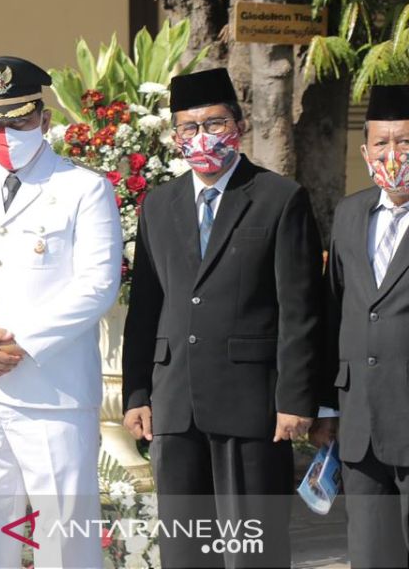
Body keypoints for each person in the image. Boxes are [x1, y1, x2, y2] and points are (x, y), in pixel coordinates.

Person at [0, 57, 121, 568]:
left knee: (63, 537)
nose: (8, 133)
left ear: (45, 120)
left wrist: (17, 343)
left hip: (50, 387)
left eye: (21, 120)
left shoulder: (83, 188)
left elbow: (97, 285)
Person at [122, 67, 324, 568]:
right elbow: (145, 306)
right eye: (188, 128)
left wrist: (297, 398)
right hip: (175, 405)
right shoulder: (159, 204)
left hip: (252, 406)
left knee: (253, 550)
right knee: (186, 551)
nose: (201, 138)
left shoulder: (279, 198)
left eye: (213, 124)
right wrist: (137, 393)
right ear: (175, 136)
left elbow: (300, 308)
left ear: (238, 125)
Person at [312, 84, 409, 568]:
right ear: (366, 149)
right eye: (382, 143)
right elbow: (336, 310)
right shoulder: (350, 213)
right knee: (370, 557)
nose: (393, 155)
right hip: (360, 426)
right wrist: (328, 405)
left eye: (405, 143)